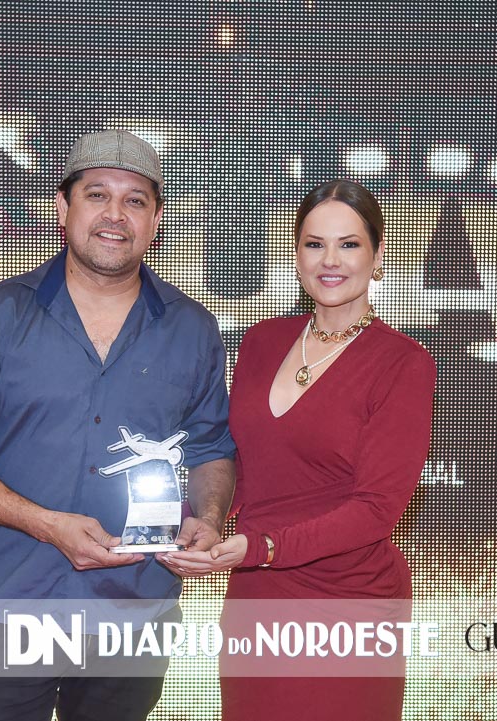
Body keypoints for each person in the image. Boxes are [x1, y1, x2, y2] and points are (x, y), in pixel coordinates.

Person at [0, 129, 236, 721]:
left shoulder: (192, 328)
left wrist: (209, 520)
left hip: (136, 613)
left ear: (157, 219)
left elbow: (210, 446)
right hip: (12, 606)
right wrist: (46, 524)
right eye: (97, 195)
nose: (115, 214)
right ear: (63, 208)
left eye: (135, 200)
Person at [161, 179, 436, 720]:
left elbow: (376, 510)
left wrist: (262, 547)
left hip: (349, 604)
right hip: (256, 595)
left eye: (349, 244)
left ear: (378, 256)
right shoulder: (260, 342)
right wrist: (205, 520)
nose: (330, 260)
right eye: (315, 244)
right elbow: (245, 464)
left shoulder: (403, 363)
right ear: (296, 256)